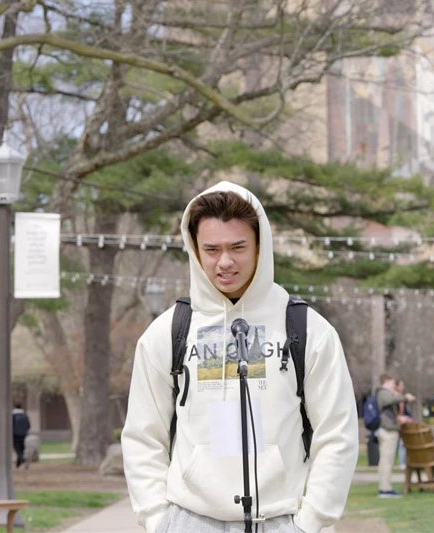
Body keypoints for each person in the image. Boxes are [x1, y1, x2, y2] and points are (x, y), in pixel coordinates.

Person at [121, 182, 358, 532]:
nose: (225, 261)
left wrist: (309, 523)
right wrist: (160, 521)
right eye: (212, 249)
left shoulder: (308, 329)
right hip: (190, 520)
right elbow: (143, 436)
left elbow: (337, 433)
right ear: (195, 249)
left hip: (283, 520)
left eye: (238, 247)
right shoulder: (167, 333)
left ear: (260, 245)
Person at [376, 373, 415, 498]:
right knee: (387, 461)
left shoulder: (384, 393)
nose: (394, 385)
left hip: (389, 430)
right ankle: (385, 490)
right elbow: (388, 401)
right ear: (387, 381)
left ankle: (385, 488)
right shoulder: (383, 392)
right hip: (388, 431)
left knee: (386, 461)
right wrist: (404, 397)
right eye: (392, 382)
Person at [395, 379, 413, 468]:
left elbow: (405, 412)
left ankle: (403, 462)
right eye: (401, 385)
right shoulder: (394, 397)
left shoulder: (402, 399)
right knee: (399, 444)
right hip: (396, 424)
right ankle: (401, 462)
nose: (403, 387)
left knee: (402, 444)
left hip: (403, 424)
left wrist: (409, 419)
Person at [12, 403, 31, 469]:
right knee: (21, 449)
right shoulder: (25, 415)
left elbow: (11, 426)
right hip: (23, 435)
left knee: (17, 449)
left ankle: (24, 460)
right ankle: (18, 464)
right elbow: (28, 425)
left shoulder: (13, 415)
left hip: (15, 435)